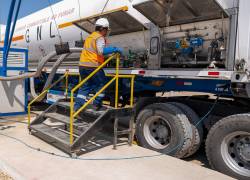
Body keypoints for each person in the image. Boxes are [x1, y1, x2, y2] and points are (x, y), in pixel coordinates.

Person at [75, 18, 122, 112]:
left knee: (85, 86)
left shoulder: (90, 37)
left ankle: (77, 107)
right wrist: (114, 49)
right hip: (93, 66)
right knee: (101, 85)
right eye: (106, 30)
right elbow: (101, 51)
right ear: (102, 29)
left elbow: (93, 51)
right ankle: (96, 104)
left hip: (83, 66)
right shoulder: (99, 37)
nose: (106, 32)